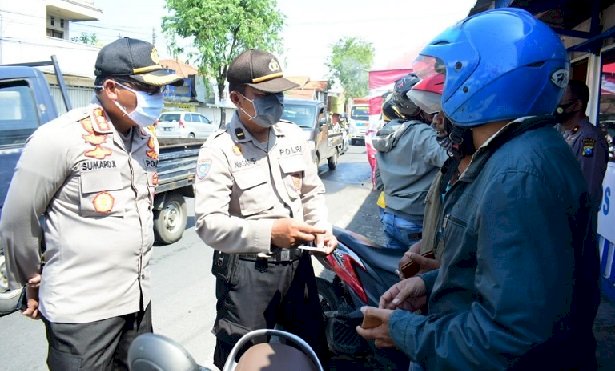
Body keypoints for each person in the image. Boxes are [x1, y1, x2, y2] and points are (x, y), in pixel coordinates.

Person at [356, 8, 600, 370]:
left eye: (451, 79)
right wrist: (429, 283)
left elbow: (509, 335)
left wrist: (405, 332)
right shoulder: (516, 154)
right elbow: (502, 274)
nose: (438, 115)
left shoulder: (518, 174)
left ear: (484, 82)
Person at [0, 37, 181, 370]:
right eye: (148, 89)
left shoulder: (145, 138)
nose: (157, 99)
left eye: (160, 91)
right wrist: (33, 279)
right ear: (111, 88)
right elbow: (16, 219)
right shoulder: (59, 138)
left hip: (136, 303)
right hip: (82, 316)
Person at [193, 48, 337, 370]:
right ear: (236, 98)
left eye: (279, 94)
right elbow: (208, 224)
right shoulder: (219, 150)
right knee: (247, 360)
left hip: (297, 268)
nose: (276, 103)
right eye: (264, 95)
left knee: (311, 354)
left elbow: (311, 192)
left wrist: (321, 231)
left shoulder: (293, 136)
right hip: (247, 276)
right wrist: (269, 233)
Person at [373, 73, 448, 250]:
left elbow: (379, 181)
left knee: (395, 270)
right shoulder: (422, 134)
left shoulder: (387, 131)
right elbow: (450, 160)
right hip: (415, 220)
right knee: (418, 272)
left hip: (389, 215)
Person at [556, 80, 609, 211]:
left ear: (577, 105)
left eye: (561, 97)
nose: (557, 103)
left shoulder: (589, 139)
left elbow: (587, 186)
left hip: (576, 220)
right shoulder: (563, 132)